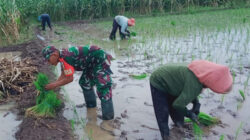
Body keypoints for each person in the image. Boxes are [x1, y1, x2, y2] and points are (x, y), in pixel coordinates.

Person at [149, 60, 233, 139]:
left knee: (178, 114)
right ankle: (166, 136)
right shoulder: (195, 83)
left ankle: (179, 127)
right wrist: (189, 114)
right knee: (163, 113)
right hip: (159, 80)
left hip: (173, 83)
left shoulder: (201, 74)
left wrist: (196, 102)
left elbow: (189, 88)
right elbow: (178, 104)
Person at [42, 45, 114, 120]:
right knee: (84, 82)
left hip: (100, 59)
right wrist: (54, 86)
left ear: (54, 55)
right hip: (90, 63)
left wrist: (54, 85)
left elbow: (69, 78)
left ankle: (108, 118)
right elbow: (64, 75)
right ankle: (91, 107)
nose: (48, 63)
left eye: (48, 60)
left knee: (103, 86)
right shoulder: (62, 58)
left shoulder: (67, 57)